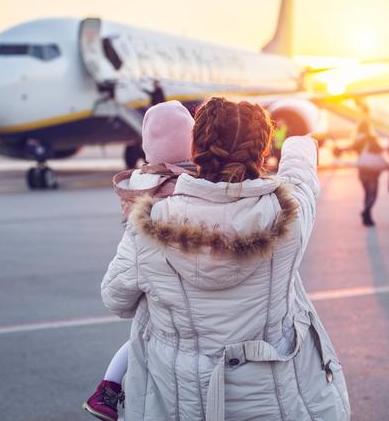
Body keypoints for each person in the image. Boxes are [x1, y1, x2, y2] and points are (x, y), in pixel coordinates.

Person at [101, 97, 350, 420]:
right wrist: (297, 140)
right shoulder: (289, 214)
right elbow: (301, 176)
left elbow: (116, 299)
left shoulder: (149, 224)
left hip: (184, 403)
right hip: (274, 403)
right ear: (262, 152)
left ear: (196, 147)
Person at [83, 100, 196, 421]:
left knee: (141, 331)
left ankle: (107, 386)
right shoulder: (201, 184)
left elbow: (116, 298)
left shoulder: (140, 185)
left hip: (154, 278)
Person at [350, 121, 389, 226]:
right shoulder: (371, 138)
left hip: (362, 171)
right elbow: (379, 150)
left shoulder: (357, 140)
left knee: (367, 194)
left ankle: (367, 218)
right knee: (373, 195)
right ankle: (366, 212)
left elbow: (351, 148)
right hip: (372, 173)